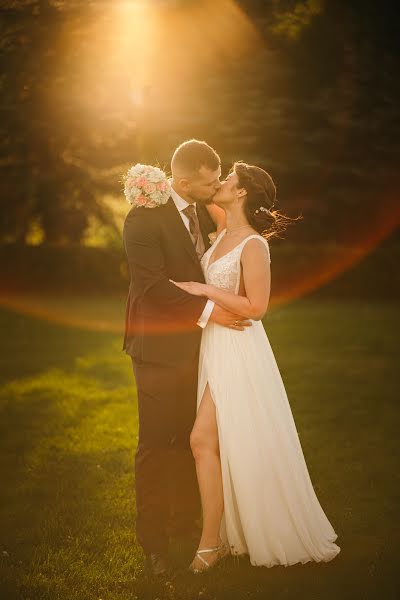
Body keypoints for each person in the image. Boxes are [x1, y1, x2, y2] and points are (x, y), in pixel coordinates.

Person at [171, 161, 341, 572]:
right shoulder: (222, 228)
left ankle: (210, 543)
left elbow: (258, 308)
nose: (221, 182)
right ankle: (223, 538)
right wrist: (165, 182)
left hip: (239, 349)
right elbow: (196, 187)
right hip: (213, 343)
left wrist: (204, 288)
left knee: (200, 440)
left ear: (243, 192)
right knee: (215, 443)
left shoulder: (253, 245)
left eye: (228, 178)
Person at [122, 141, 251, 576]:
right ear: (182, 181)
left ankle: (186, 524)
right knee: (158, 445)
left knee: (192, 440)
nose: (216, 186)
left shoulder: (200, 212)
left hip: (199, 350)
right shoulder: (142, 219)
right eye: (209, 180)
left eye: (218, 179)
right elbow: (153, 287)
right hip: (156, 351)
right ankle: (154, 544)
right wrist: (213, 313)